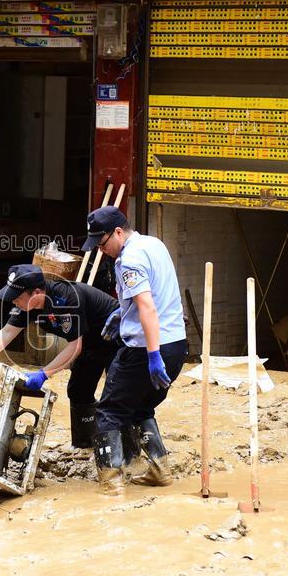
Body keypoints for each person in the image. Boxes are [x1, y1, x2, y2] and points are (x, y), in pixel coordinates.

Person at [0, 264, 122, 459]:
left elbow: (74, 347)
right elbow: (7, 332)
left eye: (17, 296)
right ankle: (85, 447)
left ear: (37, 292)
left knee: (116, 396)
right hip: (89, 341)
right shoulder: (26, 305)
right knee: (78, 390)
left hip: (116, 337)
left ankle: (128, 456)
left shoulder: (66, 298)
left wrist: (43, 373)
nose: (14, 301)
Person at [81, 206, 188, 495]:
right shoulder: (154, 244)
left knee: (108, 411)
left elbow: (147, 306)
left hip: (146, 348)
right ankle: (160, 468)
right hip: (176, 345)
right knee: (141, 406)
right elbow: (154, 295)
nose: (102, 251)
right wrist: (121, 313)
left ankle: (111, 482)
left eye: (102, 244)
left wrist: (152, 356)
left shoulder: (129, 259)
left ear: (118, 232)